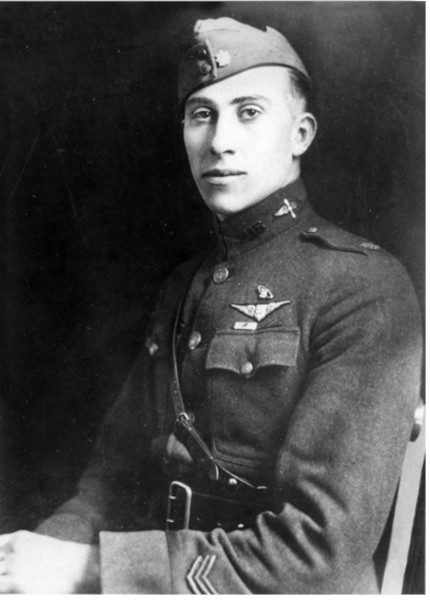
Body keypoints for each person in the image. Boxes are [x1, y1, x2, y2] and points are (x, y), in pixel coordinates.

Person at [0, 17, 422, 594]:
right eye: (202, 114)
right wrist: (40, 553)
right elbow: (114, 475)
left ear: (300, 134)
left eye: (249, 112)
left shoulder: (363, 286)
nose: (220, 140)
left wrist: (90, 569)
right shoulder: (184, 284)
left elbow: (318, 553)